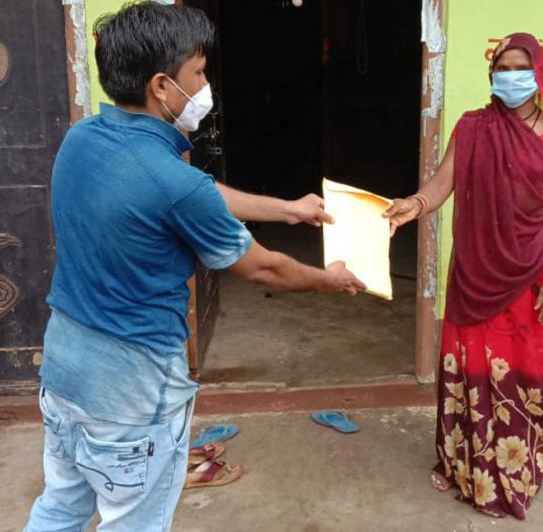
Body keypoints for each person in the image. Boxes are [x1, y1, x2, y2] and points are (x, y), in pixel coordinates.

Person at [25, 3, 365, 531]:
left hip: (65, 370)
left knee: (59, 509)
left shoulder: (82, 139)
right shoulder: (172, 181)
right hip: (131, 393)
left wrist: (288, 209)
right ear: (163, 85)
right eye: (199, 73)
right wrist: (330, 279)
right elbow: (264, 269)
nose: (205, 85)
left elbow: (193, 194)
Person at [385, 32, 543, 519]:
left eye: (520, 67)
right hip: (474, 272)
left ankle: (516, 466)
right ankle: (466, 466)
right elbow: (440, 185)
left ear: (538, 74)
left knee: (526, 371)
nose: (510, 76)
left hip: (532, 271)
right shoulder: (472, 127)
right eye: (502, 68)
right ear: (492, 76)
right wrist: (409, 208)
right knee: (473, 368)